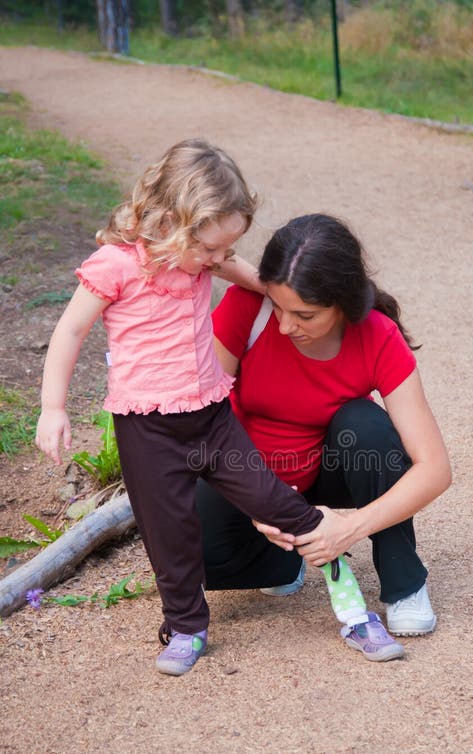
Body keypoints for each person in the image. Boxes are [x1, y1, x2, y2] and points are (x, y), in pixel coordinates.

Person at [35, 142, 403, 676]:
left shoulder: (206, 257)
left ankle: (352, 610)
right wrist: (53, 407)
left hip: (212, 421)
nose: (218, 259)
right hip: (146, 427)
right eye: (211, 248)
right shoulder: (115, 266)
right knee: (170, 531)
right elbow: (70, 330)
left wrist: (338, 293)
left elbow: (268, 283)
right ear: (172, 221)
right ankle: (185, 625)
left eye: (227, 248)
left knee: (279, 503)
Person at [199, 212, 452, 644]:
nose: (285, 325)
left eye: (305, 315)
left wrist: (349, 529)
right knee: (201, 558)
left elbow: (435, 469)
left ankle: (405, 583)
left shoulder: (376, 335)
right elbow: (205, 421)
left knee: (366, 426)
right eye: (277, 306)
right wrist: (260, 502)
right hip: (253, 470)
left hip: (329, 467)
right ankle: (286, 559)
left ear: (344, 306)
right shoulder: (247, 309)